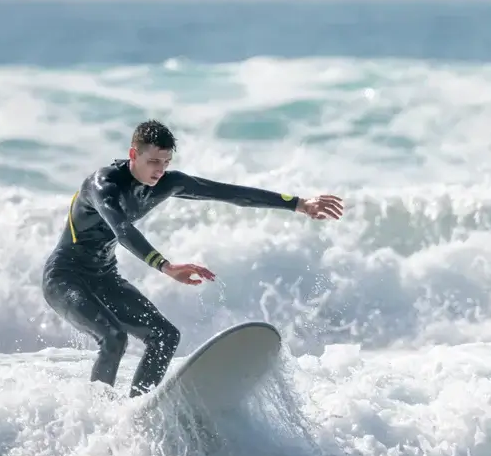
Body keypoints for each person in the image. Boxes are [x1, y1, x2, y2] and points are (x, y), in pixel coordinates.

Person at [41, 119, 344, 397]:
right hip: (65, 278)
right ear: (134, 155)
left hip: (104, 276)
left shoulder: (166, 183)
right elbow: (122, 229)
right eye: (153, 162)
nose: (159, 170)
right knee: (113, 338)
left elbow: (228, 193)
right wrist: (166, 266)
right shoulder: (102, 185)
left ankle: (139, 409)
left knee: (165, 336)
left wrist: (299, 204)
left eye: (166, 162)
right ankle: (97, 413)